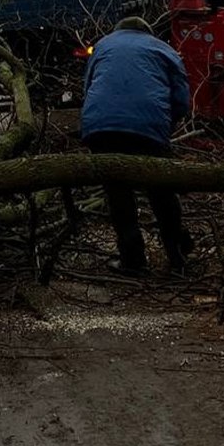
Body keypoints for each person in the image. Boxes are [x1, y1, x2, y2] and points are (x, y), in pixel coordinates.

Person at [81, 16, 193, 276]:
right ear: (148, 32)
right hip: (148, 128)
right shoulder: (163, 49)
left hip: (101, 128)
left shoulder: (102, 45)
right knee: (161, 191)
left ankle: (133, 261)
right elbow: (182, 101)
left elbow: (88, 89)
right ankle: (177, 257)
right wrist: (163, 126)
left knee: (118, 194)